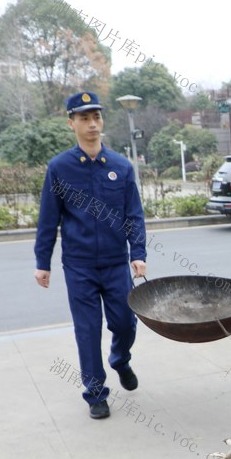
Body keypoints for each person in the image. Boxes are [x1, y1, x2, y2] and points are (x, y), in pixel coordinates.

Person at [34, 91, 147, 420]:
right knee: (87, 330)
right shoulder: (59, 168)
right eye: (84, 118)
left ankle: (120, 360)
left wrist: (137, 253)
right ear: (71, 123)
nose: (92, 123)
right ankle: (95, 392)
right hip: (80, 266)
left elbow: (134, 215)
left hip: (115, 264)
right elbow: (48, 219)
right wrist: (43, 262)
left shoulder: (121, 167)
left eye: (96, 117)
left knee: (125, 323)